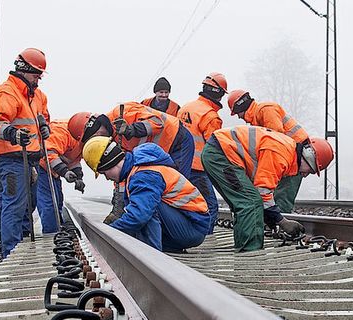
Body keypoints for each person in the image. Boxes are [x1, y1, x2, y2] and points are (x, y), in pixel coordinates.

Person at [201, 125, 334, 251]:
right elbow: (263, 192)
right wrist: (281, 221)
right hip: (221, 154)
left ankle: (243, 246)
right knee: (251, 202)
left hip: (220, 152)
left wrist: (271, 219)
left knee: (246, 200)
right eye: (310, 170)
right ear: (309, 157)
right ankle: (250, 253)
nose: (305, 175)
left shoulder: (286, 151)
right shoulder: (281, 155)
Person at [82, 137, 208, 252]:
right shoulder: (136, 171)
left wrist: (110, 232)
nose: (107, 178)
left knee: (145, 209)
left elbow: (139, 216)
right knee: (140, 213)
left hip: (193, 227)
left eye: (104, 173)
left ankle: (151, 255)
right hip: (185, 224)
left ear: (110, 163)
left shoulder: (143, 175)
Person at [0, 48, 55, 259]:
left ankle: (21, 242)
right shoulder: (7, 92)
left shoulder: (37, 95)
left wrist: (45, 127)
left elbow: (43, 117)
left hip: (32, 158)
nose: (38, 79)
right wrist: (13, 134)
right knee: (14, 206)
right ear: (24, 70)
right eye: (37, 75)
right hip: (13, 159)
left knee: (28, 205)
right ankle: (10, 252)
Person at [227, 90, 310, 213]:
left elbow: (276, 141)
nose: (239, 117)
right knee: (275, 193)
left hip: (295, 157)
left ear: (241, 106)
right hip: (289, 156)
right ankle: (276, 219)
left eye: (237, 113)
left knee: (282, 196)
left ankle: (281, 221)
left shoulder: (266, 109)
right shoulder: (258, 117)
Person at [178, 73, 228, 231]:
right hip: (198, 168)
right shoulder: (211, 116)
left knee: (187, 204)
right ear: (219, 93)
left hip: (179, 165)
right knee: (210, 206)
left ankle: (187, 233)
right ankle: (205, 237)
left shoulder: (186, 108)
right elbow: (215, 148)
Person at [42, 111, 90, 194]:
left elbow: (73, 159)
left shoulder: (81, 138)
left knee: (57, 200)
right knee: (47, 200)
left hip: (53, 172)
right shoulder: (61, 131)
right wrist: (65, 172)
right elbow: (49, 153)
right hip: (42, 169)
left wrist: (78, 177)